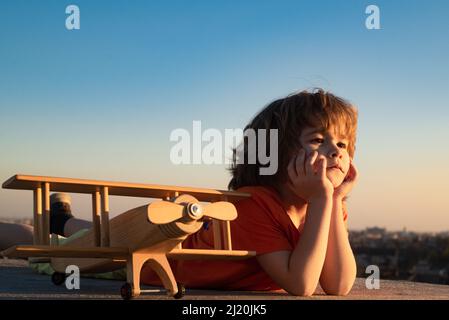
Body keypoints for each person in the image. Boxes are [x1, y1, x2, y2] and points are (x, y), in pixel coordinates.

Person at [0, 88, 359, 296]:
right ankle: (45, 225)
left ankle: (63, 219)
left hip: (165, 239)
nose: (337, 151)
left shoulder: (324, 205)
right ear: (277, 155)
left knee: (91, 227)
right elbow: (301, 284)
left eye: (342, 143)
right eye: (317, 140)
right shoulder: (257, 204)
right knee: (53, 245)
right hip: (146, 259)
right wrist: (326, 198)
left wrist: (333, 200)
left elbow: (338, 285)